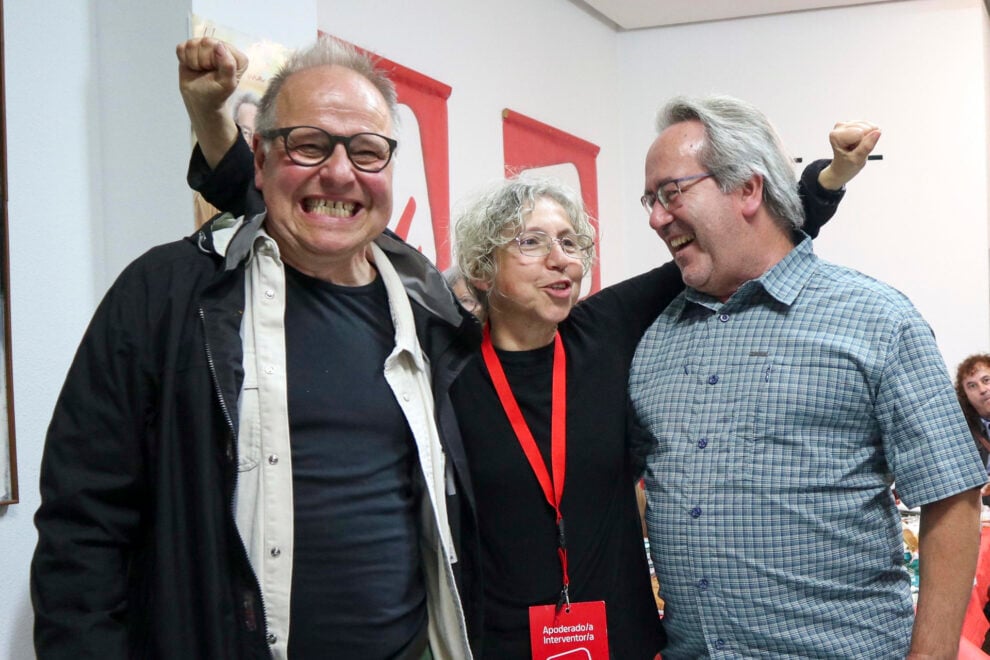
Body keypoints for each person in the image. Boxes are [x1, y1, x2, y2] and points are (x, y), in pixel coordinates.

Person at [174, 38, 874, 658]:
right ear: (482, 268)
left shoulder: (604, 331)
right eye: (533, 243)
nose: (561, 260)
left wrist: (829, 178)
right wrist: (212, 122)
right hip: (495, 643)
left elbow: (739, 238)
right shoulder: (441, 351)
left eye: (572, 244)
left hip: (621, 641)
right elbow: (307, 211)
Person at [31, 37, 481, 660]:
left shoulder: (431, 314)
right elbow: (83, 529)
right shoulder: (166, 298)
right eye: (309, 144)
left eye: (367, 152)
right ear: (262, 159)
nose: (340, 173)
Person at [629, 94, 986, 659]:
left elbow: (952, 496)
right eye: (650, 200)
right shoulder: (654, 340)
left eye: (671, 193)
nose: (656, 217)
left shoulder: (877, 319)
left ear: (748, 189)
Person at [955, 354, 990, 488]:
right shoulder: (961, 430)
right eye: (972, 386)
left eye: (986, 380)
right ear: (965, 396)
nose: (982, 390)